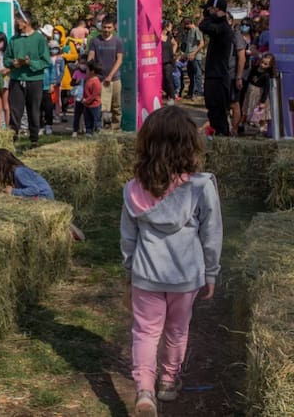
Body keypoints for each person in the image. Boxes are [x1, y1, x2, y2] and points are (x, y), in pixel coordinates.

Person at [121, 106, 223, 416]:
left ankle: (144, 389)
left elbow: (128, 238)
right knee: (177, 330)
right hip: (186, 276)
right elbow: (212, 233)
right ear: (189, 145)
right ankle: (167, 381)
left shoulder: (133, 189)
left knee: (145, 332)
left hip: (146, 275)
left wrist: (129, 270)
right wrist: (211, 272)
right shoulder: (201, 186)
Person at [0, 148, 86, 240]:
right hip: (42, 196)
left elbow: (34, 190)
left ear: (1, 165)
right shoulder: (18, 170)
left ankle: (65, 230)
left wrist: (13, 191)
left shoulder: (19, 172)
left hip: (43, 198)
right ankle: (63, 225)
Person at [4, 7, 51, 148]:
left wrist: (30, 63)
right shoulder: (14, 40)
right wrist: (12, 63)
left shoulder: (39, 39)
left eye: (18, 20)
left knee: (34, 111)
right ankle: (12, 139)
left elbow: (46, 61)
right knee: (15, 111)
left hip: (34, 80)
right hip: (16, 80)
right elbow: (6, 59)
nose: (16, 23)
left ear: (26, 22)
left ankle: (34, 140)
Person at [199, 0, 233, 137]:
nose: (206, 13)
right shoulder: (219, 27)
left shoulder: (222, 28)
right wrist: (213, 14)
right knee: (213, 113)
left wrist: (214, 15)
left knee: (218, 115)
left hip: (218, 78)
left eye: (209, 10)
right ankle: (217, 136)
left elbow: (203, 25)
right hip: (213, 75)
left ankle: (222, 137)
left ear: (216, 9)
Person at [87, 13, 123, 128]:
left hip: (114, 78)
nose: (106, 30)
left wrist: (110, 75)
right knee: (99, 105)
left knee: (116, 105)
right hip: (99, 78)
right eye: (104, 27)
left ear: (113, 27)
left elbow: (119, 60)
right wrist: (90, 73)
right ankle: (100, 127)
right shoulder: (94, 41)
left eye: (109, 27)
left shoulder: (117, 41)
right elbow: (91, 57)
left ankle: (115, 127)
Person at [243, 53, 275, 136]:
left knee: (261, 113)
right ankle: (246, 126)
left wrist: (263, 101)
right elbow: (249, 79)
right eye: (262, 62)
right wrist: (245, 90)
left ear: (270, 66)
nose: (262, 65)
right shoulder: (254, 69)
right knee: (248, 110)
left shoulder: (266, 75)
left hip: (259, 94)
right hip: (250, 92)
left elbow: (266, 89)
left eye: (265, 64)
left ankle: (262, 128)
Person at [180, 17, 205, 99]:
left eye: (184, 25)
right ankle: (191, 92)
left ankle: (198, 93)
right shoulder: (188, 32)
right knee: (191, 75)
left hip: (196, 57)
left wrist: (194, 53)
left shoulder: (196, 30)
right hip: (189, 57)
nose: (183, 27)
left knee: (197, 75)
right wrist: (185, 54)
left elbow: (201, 43)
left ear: (188, 24)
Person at [83, 61, 103, 137]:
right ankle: (88, 132)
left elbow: (94, 95)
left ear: (92, 71)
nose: (86, 71)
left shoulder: (96, 82)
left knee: (96, 120)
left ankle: (97, 132)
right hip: (87, 105)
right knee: (88, 120)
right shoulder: (88, 79)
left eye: (87, 69)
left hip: (95, 105)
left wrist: (86, 100)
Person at [161, 20, 177, 106]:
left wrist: (173, 52)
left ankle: (172, 97)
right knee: (162, 81)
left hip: (169, 62)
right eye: (170, 26)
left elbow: (175, 44)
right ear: (166, 27)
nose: (171, 28)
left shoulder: (170, 36)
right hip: (160, 62)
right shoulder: (158, 36)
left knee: (168, 79)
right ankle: (170, 93)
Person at [70, 62, 87, 137]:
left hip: (86, 97)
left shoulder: (89, 73)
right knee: (77, 114)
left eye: (84, 63)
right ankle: (75, 130)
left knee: (86, 114)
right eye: (81, 63)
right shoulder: (76, 72)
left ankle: (86, 128)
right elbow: (71, 83)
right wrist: (76, 82)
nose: (83, 65)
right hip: (78, 97)